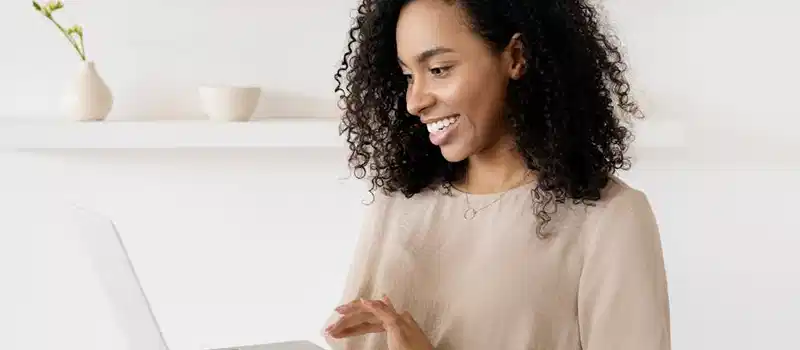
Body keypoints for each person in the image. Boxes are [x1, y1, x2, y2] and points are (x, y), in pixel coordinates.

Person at [322, 0, 671, 349]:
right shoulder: (398, 204)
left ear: (516, 57)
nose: (415, 102)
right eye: (408, 76)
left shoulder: (608, 218)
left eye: (439, 69)